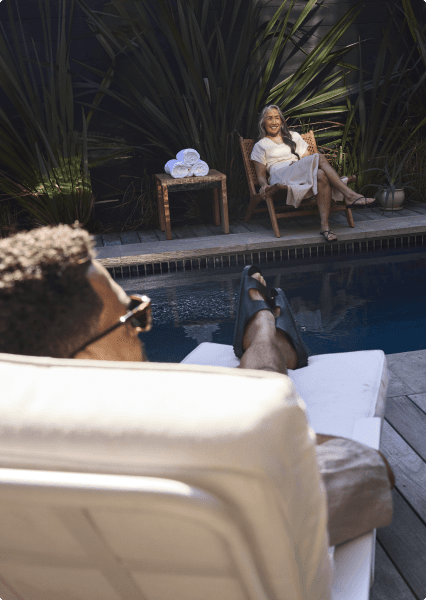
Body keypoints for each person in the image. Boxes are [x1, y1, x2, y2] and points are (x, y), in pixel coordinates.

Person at [0, 224, 393, 547]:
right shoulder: (187, 455)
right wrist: (283, 436)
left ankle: (265, 334)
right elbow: (369, 475)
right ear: (86, 357)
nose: (141, 331)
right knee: (264, 395)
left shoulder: (20, 477)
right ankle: (265, 330)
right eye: (132, 317)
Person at [251, 105, 376, 242]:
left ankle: (325, 227)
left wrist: (298, 166)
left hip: (298, 173)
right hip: (279, 176)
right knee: (319, 157)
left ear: (281, 121)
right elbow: (261, 176)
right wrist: (264, 186)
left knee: (320, 174)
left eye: (277, 118)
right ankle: (350, 195)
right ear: (263, 122)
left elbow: (308, 158)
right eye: (269, 118)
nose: (274, 122)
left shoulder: (293, 136)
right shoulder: (260, 145)